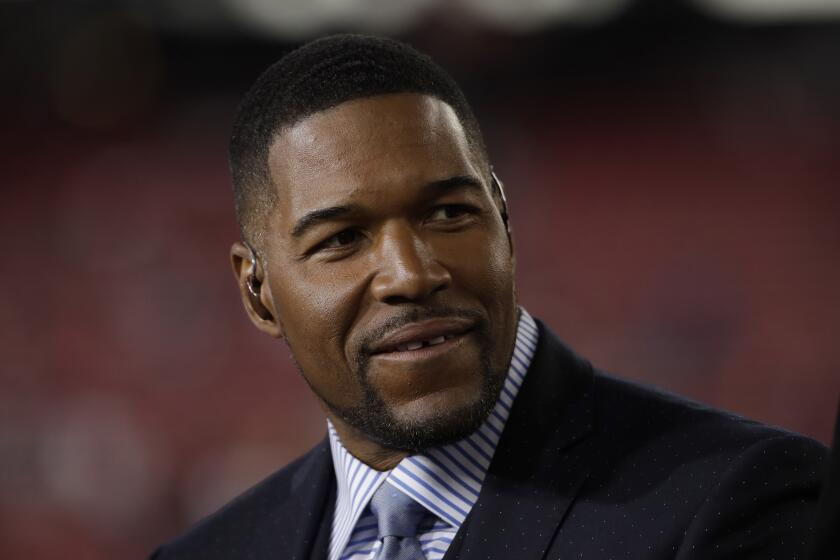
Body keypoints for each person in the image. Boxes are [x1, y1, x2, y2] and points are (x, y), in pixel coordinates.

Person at [151, 35, 827, 559]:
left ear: (504, 220)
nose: (410, 275)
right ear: (259, 293)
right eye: (343, 239)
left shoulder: (738, 501)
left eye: (448, 214)